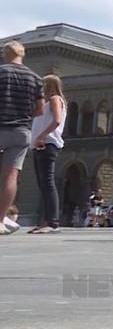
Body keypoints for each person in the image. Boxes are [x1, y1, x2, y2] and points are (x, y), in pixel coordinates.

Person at [0, 41, 44, 236]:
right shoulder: (35, 78)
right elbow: (40, 109)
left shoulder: (1, 72)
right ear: (22, 55)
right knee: (11, 176)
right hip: (21, 131)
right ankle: (0, 220)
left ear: (5, 54)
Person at [29, 74, 66, 234]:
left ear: (50, 85)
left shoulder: (55, 99)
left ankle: (52, 221)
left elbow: (56, 120)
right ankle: (47, 220)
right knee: (43, 184)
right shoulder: (48, 101)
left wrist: (42, 136)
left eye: (43, 85)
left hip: (47, 144)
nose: (41, 88)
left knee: (48, 183)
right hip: (41, 145)